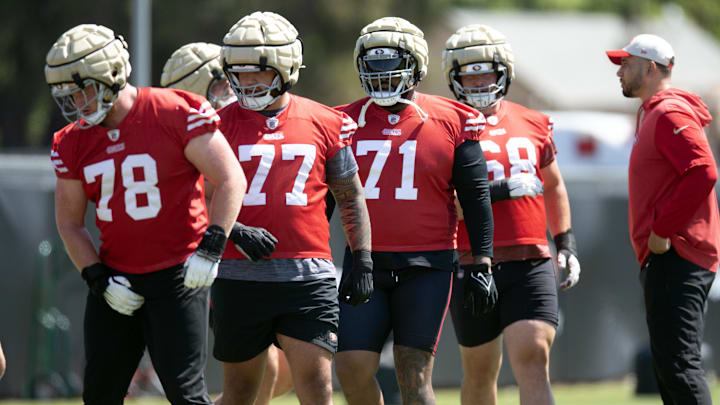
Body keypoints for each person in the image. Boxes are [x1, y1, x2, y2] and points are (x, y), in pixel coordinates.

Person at [46, 24, 246, 404]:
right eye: (66, 96)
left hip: (178, 276)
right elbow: (70, 223)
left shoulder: (172, 110)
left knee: (186, 395)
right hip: (116, 277)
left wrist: (211, 246)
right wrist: (97, 278)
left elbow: (230, 177)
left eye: (81, 90)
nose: (75, 104)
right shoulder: (71, 141)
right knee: (100, 394)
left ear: (113, 75)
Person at [211, 12, 372, 405]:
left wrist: (362, 258)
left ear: (284, 69)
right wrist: (234, 230)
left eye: (256, 73)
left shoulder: (324, 121)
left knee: (318, 388)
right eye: (239, 72)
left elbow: (350, 196)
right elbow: (195, 199)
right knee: (240, 395)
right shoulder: (216, 125)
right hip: (238, 276)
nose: (246, 82)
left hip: (307, 278)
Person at [333, 17, 494, 405]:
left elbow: (476, 197)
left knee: (414, 371)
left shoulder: (453, 120)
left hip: (427, 265)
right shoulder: (339, 120)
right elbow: (320, 197)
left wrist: (483, 262)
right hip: (364, 260)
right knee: (351, 367)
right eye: (373, 64)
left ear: (417, 66)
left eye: (391, 64)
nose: (382, 75)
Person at [442, 24, 580, 405]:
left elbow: (553, 186)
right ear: (455, 80)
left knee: (534, 355)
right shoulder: (445, 126)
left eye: (487, 73)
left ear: (504, 73)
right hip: (473, 261)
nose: (480, 83)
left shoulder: (534, 122)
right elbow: (445, 202)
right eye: (470, 76)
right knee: (480, 371)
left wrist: (566, 243)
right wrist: (502, 190)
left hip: (530, 258)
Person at [161, 41, 294, 405]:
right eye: (223, 84)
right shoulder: (182, 133)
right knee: (252, 364)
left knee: (277, 371)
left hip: (236, 262)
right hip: (194, 263)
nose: (235, 91)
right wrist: (234, 230)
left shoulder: (236, 125)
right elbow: (190, 202)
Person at [606, 34, 718, 405]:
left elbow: (703, 171)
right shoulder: (653, 112)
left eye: (627, 63)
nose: (620, 71)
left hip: (677, 254)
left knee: (679, 366)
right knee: (670, 367)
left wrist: (661, 231)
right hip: (669, 257)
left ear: (650, 68)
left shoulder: (668, 111)